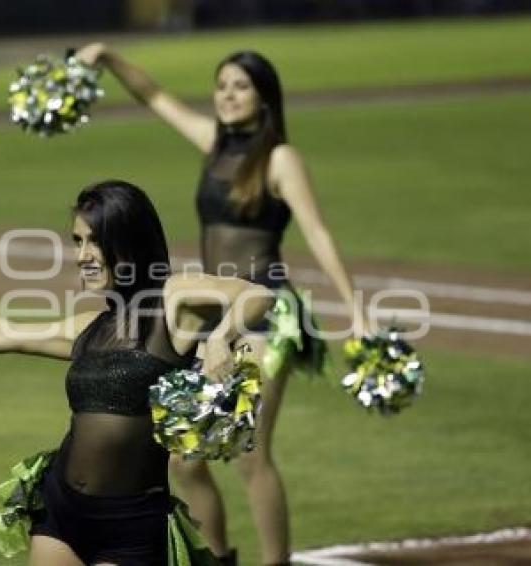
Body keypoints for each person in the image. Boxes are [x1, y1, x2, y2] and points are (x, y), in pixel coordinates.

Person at [75, 46, 366, 565]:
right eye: (221, 85)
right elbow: (154, 96)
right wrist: (111, 59)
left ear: (264, 97)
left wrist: (356, 310)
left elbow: (317, 232)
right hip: (210, 315)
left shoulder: (280, 159)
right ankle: (219, 558)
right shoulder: (213, 143)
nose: (228, 95)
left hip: (262, 312)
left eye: (241, 86)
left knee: (249, 455)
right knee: (185, 461)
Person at [0, 180, 273, 565]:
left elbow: (257, 295)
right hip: (61, 511)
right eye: (77, 241)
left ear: (130, 241)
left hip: (130, 524)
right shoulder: (91, 326)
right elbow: (6, 334)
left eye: (96, 241)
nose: (84, 255)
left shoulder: (174, 303)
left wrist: (222, 337)